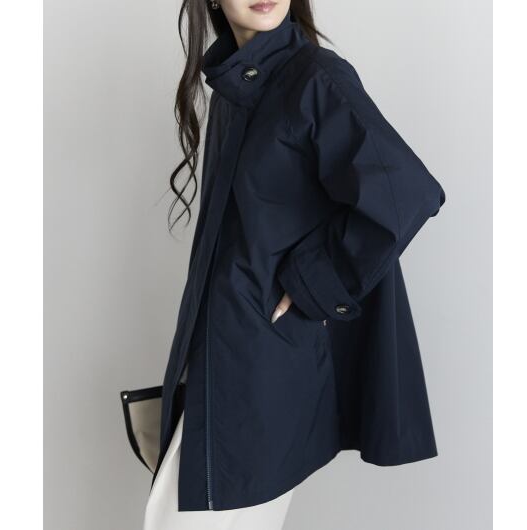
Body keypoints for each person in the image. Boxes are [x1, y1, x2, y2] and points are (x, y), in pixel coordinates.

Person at [143, 1, 445, 528]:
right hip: (221, 355)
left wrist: (313, 284)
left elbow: (407, 193)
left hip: (262, 365)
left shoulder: (316, 79)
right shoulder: (234, 89)